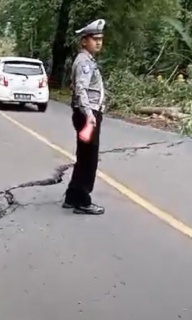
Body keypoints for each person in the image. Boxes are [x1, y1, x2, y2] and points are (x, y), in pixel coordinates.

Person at [63, 19, 106, 215]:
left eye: (100, 39)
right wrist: (90, 115)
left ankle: (72, 197)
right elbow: (80, 89)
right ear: (83, 41)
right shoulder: (84, 63)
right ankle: (83, 201)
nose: (98, 42)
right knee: (89, 159)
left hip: (85, 114)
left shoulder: (86, 60)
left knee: (83, 156)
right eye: (94, 39)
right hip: (87, 116)